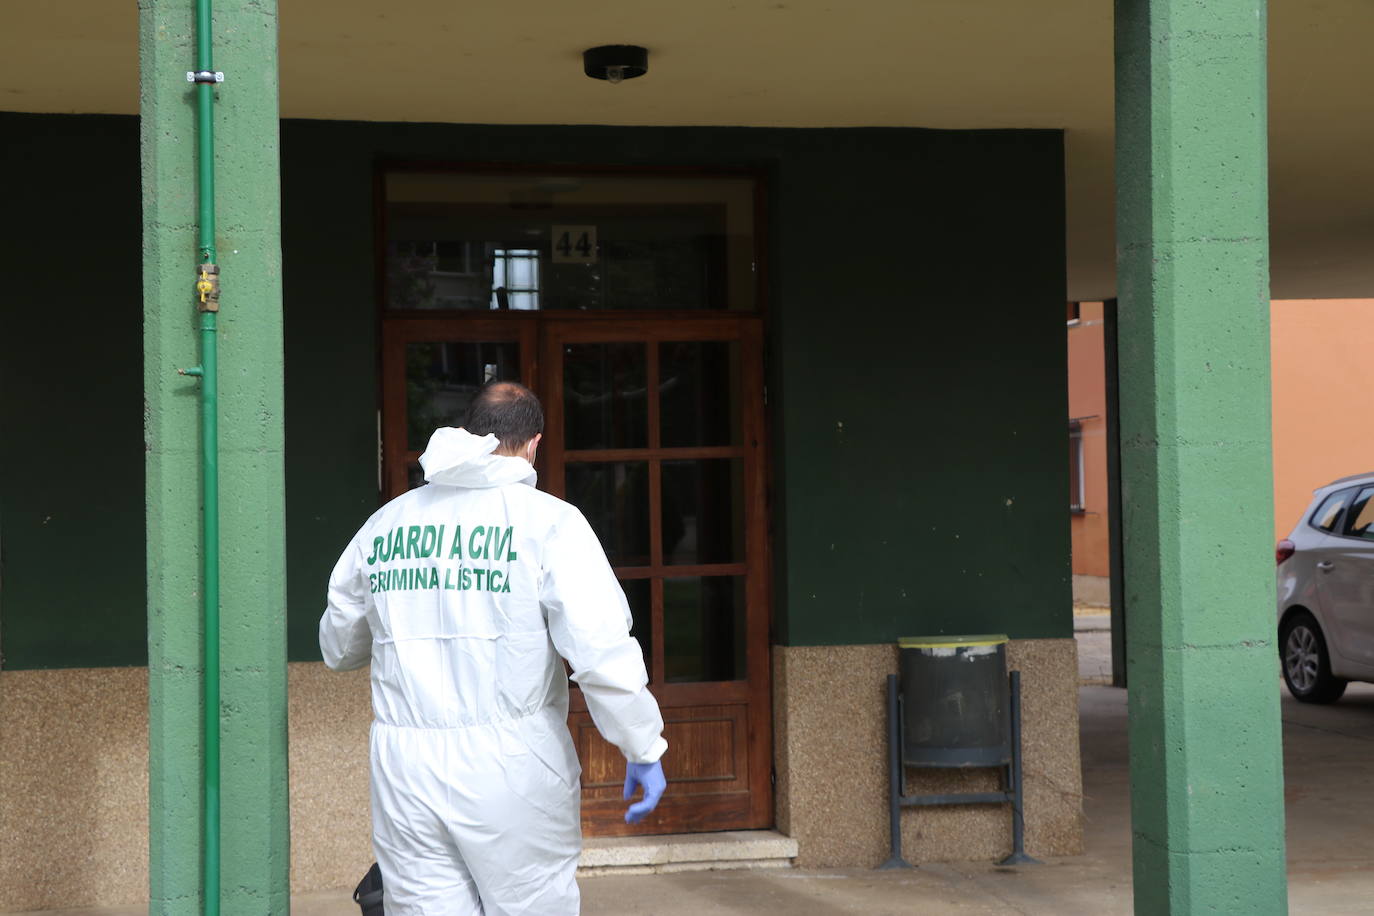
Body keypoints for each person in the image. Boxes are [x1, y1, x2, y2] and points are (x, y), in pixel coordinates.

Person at [320, 381, 668, 915]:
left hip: (404, 768)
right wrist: (642, 744)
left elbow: (339, 647)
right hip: (512, 766)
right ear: (535, 443)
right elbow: (600, 652)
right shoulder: (550, 523)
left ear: (468, 433)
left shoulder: (385, 525)